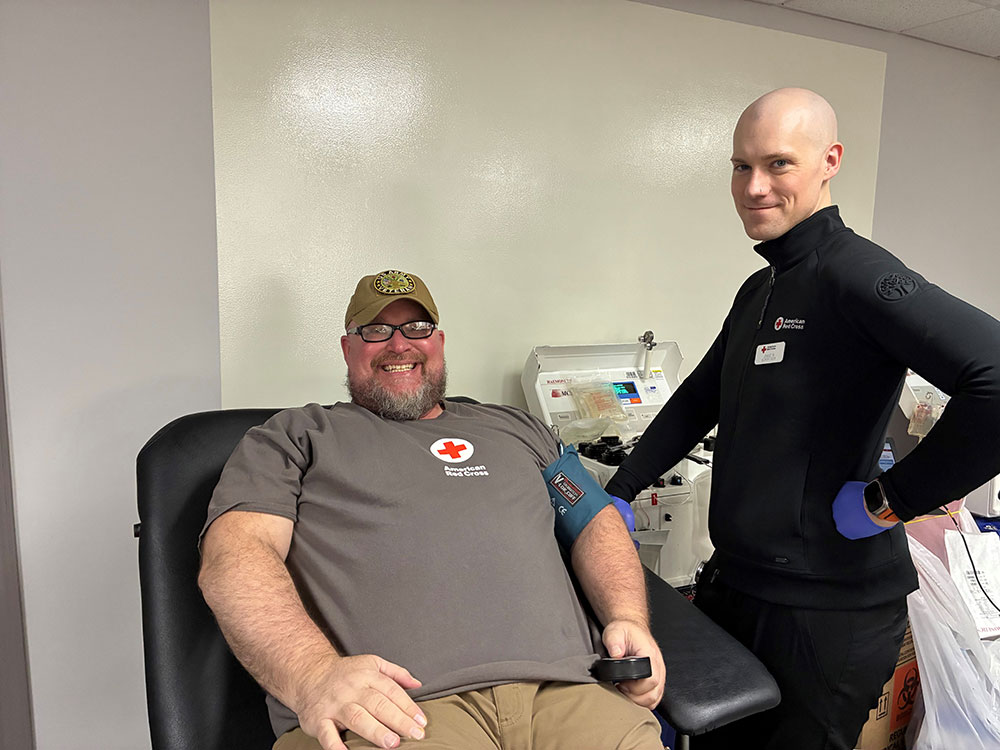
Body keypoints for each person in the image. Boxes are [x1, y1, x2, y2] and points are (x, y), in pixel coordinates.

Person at [605, 88, 1000, 749]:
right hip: (739, 587)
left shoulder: (856, 275)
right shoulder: (762, 287)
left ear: (830, 161)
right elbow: (702, 396)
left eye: (779, 164)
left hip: (827, 612)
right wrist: (617, 491)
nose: (755, 187)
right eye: (741, 166)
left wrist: (890, 500)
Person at [198, 269, 666, 750]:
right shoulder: (296, 436)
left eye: (416, 328)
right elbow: (235, 555)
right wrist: (312, 674)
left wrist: (628, 617)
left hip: (571, 695)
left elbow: (594, 520)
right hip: (400, 714)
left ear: (438, 342)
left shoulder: (516, 428)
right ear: (347, 348)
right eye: (376, 330)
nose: (398, 345)